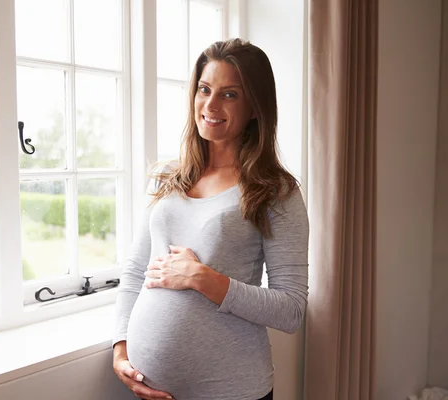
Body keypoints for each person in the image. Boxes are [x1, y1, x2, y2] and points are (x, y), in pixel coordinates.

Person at [112, 38, 309, 400]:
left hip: (231, 390)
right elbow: (137, 271)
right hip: (147, 389)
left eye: (230, 94)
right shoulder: (167, 177)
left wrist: (204, 279)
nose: (211, 105)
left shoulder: (275, 191)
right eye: (205, 89)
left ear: (254, 107)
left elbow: (291, 310)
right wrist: (121, 348)